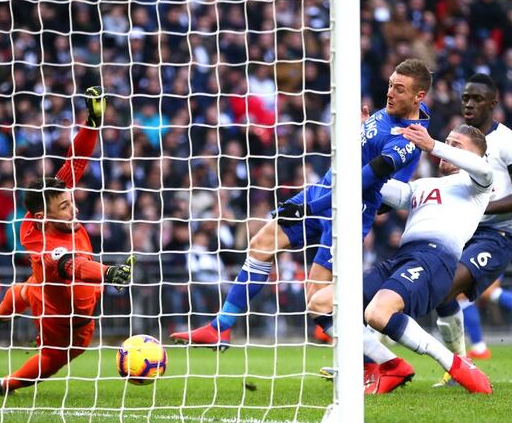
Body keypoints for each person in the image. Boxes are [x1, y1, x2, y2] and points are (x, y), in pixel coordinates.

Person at [169, 59, 432, 351]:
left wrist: (311, 208)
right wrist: (361, 131)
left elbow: (366, 184)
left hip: (347, 209)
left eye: (399, 89)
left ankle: (379, 361)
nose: (390, 93)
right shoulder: (400, 113)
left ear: (419, 96)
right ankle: (221, 327)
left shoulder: (408, 139)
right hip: (322, 190)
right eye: (390, 85)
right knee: (262, 243)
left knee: (317, 299)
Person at [310, 123, 494, 394]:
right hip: (403, 258)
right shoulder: (423, 185)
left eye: (457, 146)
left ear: (475, 156)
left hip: (435, 260)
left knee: (376, 314)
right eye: (448, 142)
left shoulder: (478, 184)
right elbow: (378, 186)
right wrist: (364, 143)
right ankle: (388, 364)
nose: (448, 149)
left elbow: (483, 169)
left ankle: (454, 363)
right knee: (321, 303)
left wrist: (432, 144)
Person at [0, 86, 135, 395]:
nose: (74, 210)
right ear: (43, 216)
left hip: (42, 291)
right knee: (56, 356)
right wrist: (108, 272)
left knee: (27, 288)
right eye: (65, 207)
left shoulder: (41, 211)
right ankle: (6, 384)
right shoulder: (47, 247)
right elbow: (73, 265)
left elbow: (76, 161)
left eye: (71, 201)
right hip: (65, 320)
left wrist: (91, 124)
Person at [431, 74, 512, 388]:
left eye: (477, 99)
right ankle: (462, 365)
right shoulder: (457, 137)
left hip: (497, 235)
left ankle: (462, 364)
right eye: (466, 97)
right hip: (460, 231)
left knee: (445, 287)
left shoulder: (510, 142)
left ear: (493, 104)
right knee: (440, 292)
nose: (469, 103)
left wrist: (483, 208)